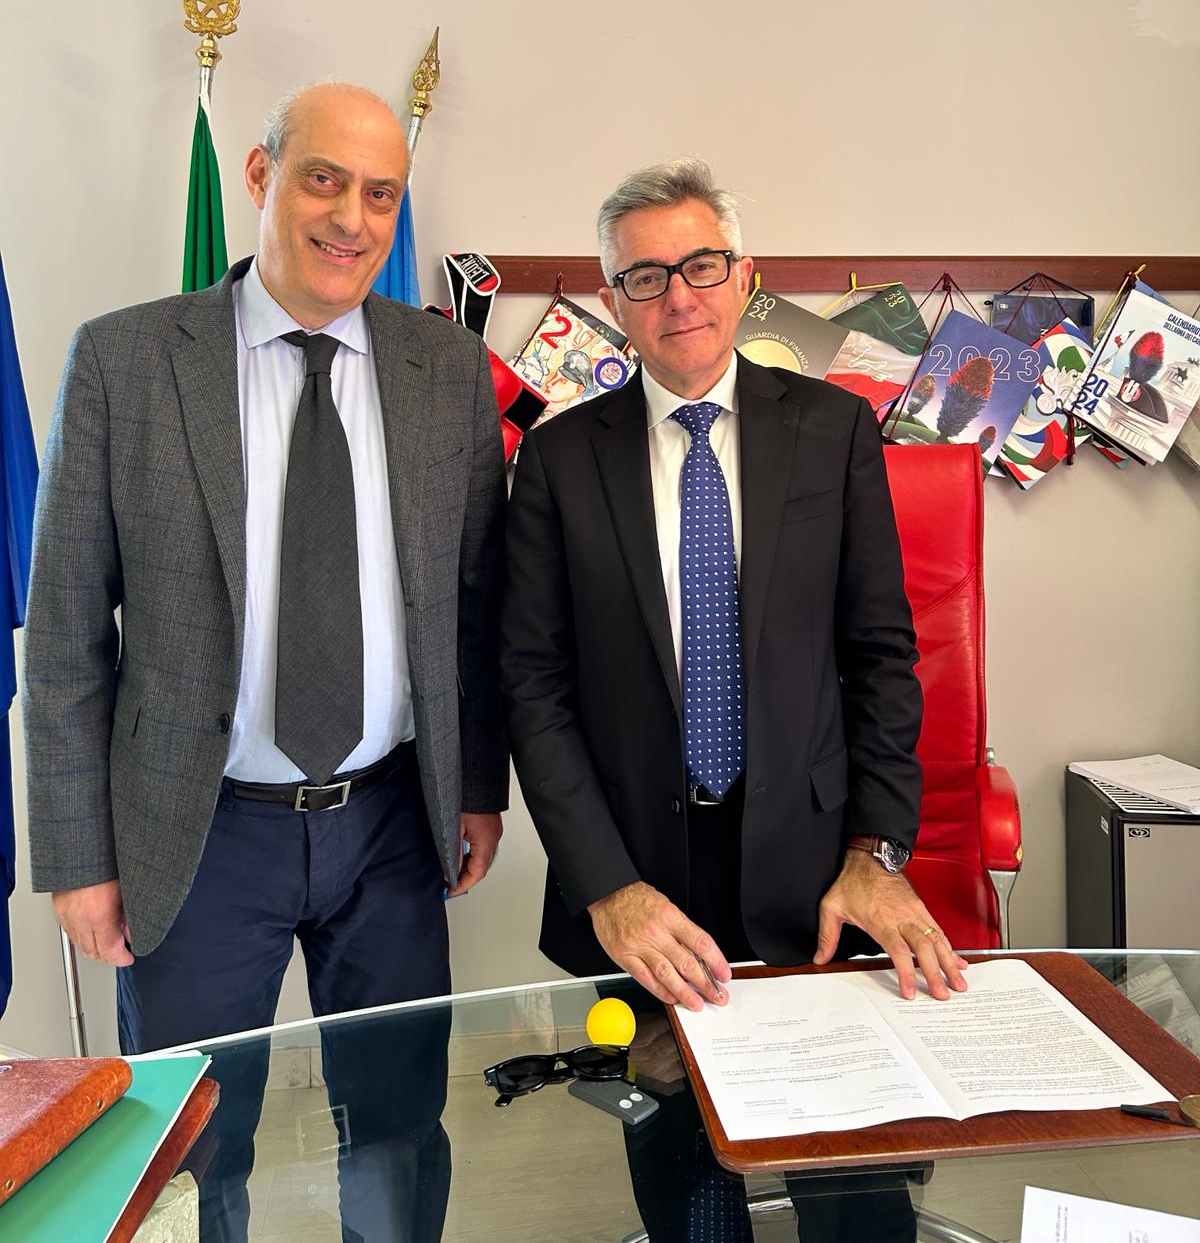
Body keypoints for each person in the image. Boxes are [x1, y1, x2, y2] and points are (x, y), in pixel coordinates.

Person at [23, 82, 508, 1242]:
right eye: (323, 179)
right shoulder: (127, 360)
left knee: (398, 1124)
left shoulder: (445, 370)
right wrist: (80, 858)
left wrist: (478, 784)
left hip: (391, 823)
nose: (352, 218)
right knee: (194, 1151)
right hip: (198, 832)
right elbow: (68, 633)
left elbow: (473, 604)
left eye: (380, 194)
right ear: (260, 174)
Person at [500, 157, 966, 1241]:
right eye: (647, 275)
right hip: (645, 885)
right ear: (614, 298)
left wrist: (877, 850)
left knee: (852, 1182)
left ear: (744, 275)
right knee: (688, 1184)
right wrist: (606, 885)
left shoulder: (833, 429)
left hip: (818, 873)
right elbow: (533, 687)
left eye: (701, 264)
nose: (679, 296)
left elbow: (881, 657)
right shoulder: (560, 459)